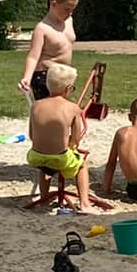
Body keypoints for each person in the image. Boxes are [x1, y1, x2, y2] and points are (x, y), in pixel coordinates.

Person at [25, 62, 92, 211]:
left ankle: (44, 198)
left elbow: (32, 135)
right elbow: (75, 140)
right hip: (60, 159)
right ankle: (85, 203)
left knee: (45, 165)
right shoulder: (73, 108)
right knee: (81, 164)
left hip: (35, 156)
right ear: (68, 89)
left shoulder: (36, 106)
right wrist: (69, 144)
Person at [19, 0, 78, 100]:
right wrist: (27, 77)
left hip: (64, 75)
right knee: (49, 109)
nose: (70, 13)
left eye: (72, 10)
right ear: (54, 4)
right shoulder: (42, 28)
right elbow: (33, 56)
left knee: (62, 108)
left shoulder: (69, 21)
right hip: (45, 76)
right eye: (67, 9)